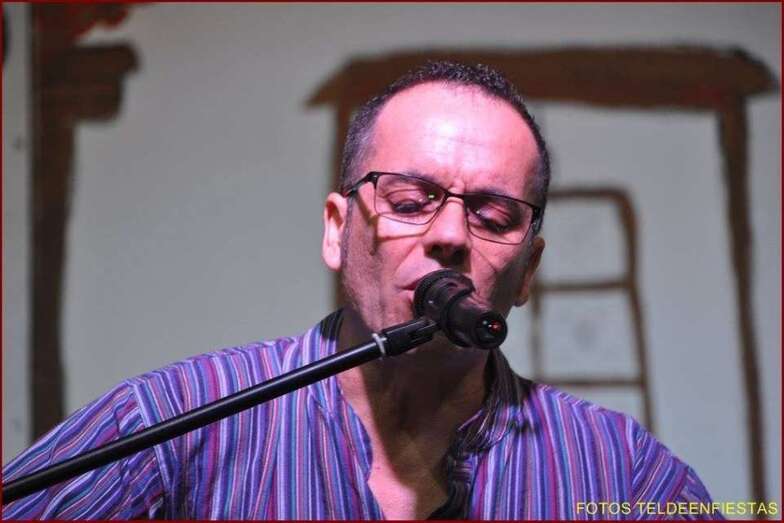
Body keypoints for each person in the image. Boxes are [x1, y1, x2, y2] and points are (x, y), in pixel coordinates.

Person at [3, 61, 720, 520]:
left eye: (493, 216)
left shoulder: (621, 471)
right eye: (409, 200)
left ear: (527, 271)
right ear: (336, 230)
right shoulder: (169, 423)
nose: (449, 235)